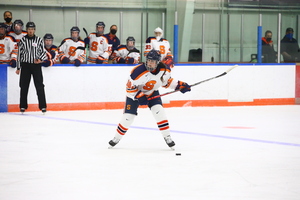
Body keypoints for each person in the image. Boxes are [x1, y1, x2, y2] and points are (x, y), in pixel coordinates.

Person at [108, 49, 191, 149]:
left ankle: (167, 136)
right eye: (148, 60)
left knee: (159, 112)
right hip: (134, 95)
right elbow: (130, 88)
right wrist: (140, 96)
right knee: (128, 117)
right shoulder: (137, 72)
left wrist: (179, 85)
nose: (150, 63)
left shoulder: (164, 70)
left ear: (158, 62)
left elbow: (166, 82)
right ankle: (116, 138)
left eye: (152, 61)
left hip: (152, 92)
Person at [16, 22, 48, 113]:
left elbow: (43, 52)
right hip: (25, 65)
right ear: (27, 30)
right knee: (24, 86)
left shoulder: (39, 40)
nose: (30, 31)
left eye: (32, 29)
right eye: (29, 29)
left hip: (36, 66)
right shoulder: (23, 40)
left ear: (34, 30)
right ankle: (23, 106)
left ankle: (43, 106)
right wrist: (18, 67)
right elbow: (19, 54)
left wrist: (40, 59)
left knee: (39, 86)